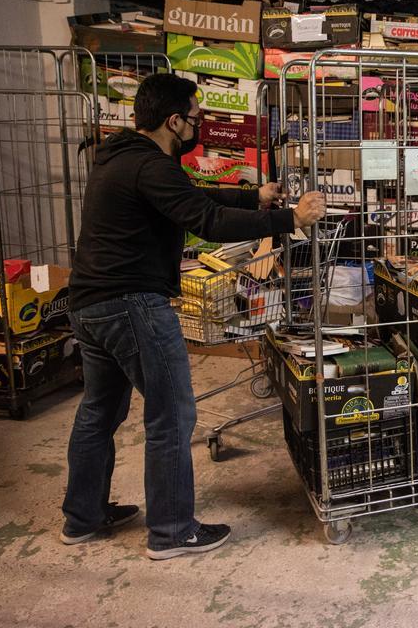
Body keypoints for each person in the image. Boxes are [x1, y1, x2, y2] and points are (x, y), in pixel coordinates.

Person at [60, 73, 325, 560]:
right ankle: (172, 531)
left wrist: (254, 197)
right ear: (173, 120)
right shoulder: (150, 167)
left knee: (100, 412)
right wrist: (290, 219)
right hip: (131, 304)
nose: (199, 126)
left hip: (89, 304)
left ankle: (83, 519)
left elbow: (191, 195)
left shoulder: (124, 156)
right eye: (196, 118)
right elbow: (207, 220)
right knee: (172, 415)